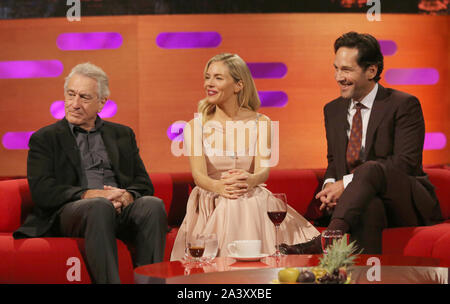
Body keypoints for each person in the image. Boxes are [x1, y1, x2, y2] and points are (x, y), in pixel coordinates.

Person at [281, 32, 443, 255]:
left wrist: (346, 184)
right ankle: (366, 279)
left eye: (346, 70)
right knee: (370, 208)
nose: (339, 77)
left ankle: (328, 237)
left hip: (405, 201)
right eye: (336, 68)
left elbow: (406, 163)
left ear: (372, 71)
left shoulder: (404, 105)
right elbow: (334, 160)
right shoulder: (333, 109)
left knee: (371, 168)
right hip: (362, 203)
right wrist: (330, 184)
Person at [13, 63, 168, 283]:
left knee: (153, 205)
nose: (74, 104)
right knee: (99, 206)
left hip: (118, 208)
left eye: (84, 98)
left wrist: (126, 196)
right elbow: (43, 192)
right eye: (70, 94)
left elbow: (143, 183)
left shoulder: (122, 134)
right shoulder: (45, 138)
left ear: (102, 102)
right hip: (73, 213)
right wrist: (93, 195)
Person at [170, 53, 319, 261]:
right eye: (207, 77)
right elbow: (198, 176)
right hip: (211, 196)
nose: (209, 84)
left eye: (218, 78)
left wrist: (250, 180)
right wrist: (221, 187)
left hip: (250, 192)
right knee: (233, 202)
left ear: (238, 85)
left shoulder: (262, 122)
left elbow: (262, 171)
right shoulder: (195, 126)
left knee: (244, 200)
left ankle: (253, 272)